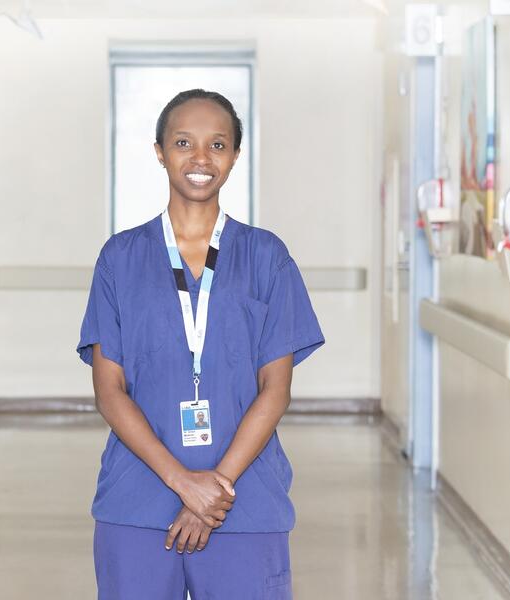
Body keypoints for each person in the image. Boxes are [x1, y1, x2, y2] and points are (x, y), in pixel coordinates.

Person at [77, 88, 324, 599]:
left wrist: (213, 488)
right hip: (137, 502)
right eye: (184, 142)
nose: (200, 158)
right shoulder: (120, 259)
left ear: (235, 156)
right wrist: (183, 483)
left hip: (245, 504)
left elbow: (275, 389)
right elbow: (110, 390)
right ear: (160, 151)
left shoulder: (266, 257)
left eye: (217, 144)